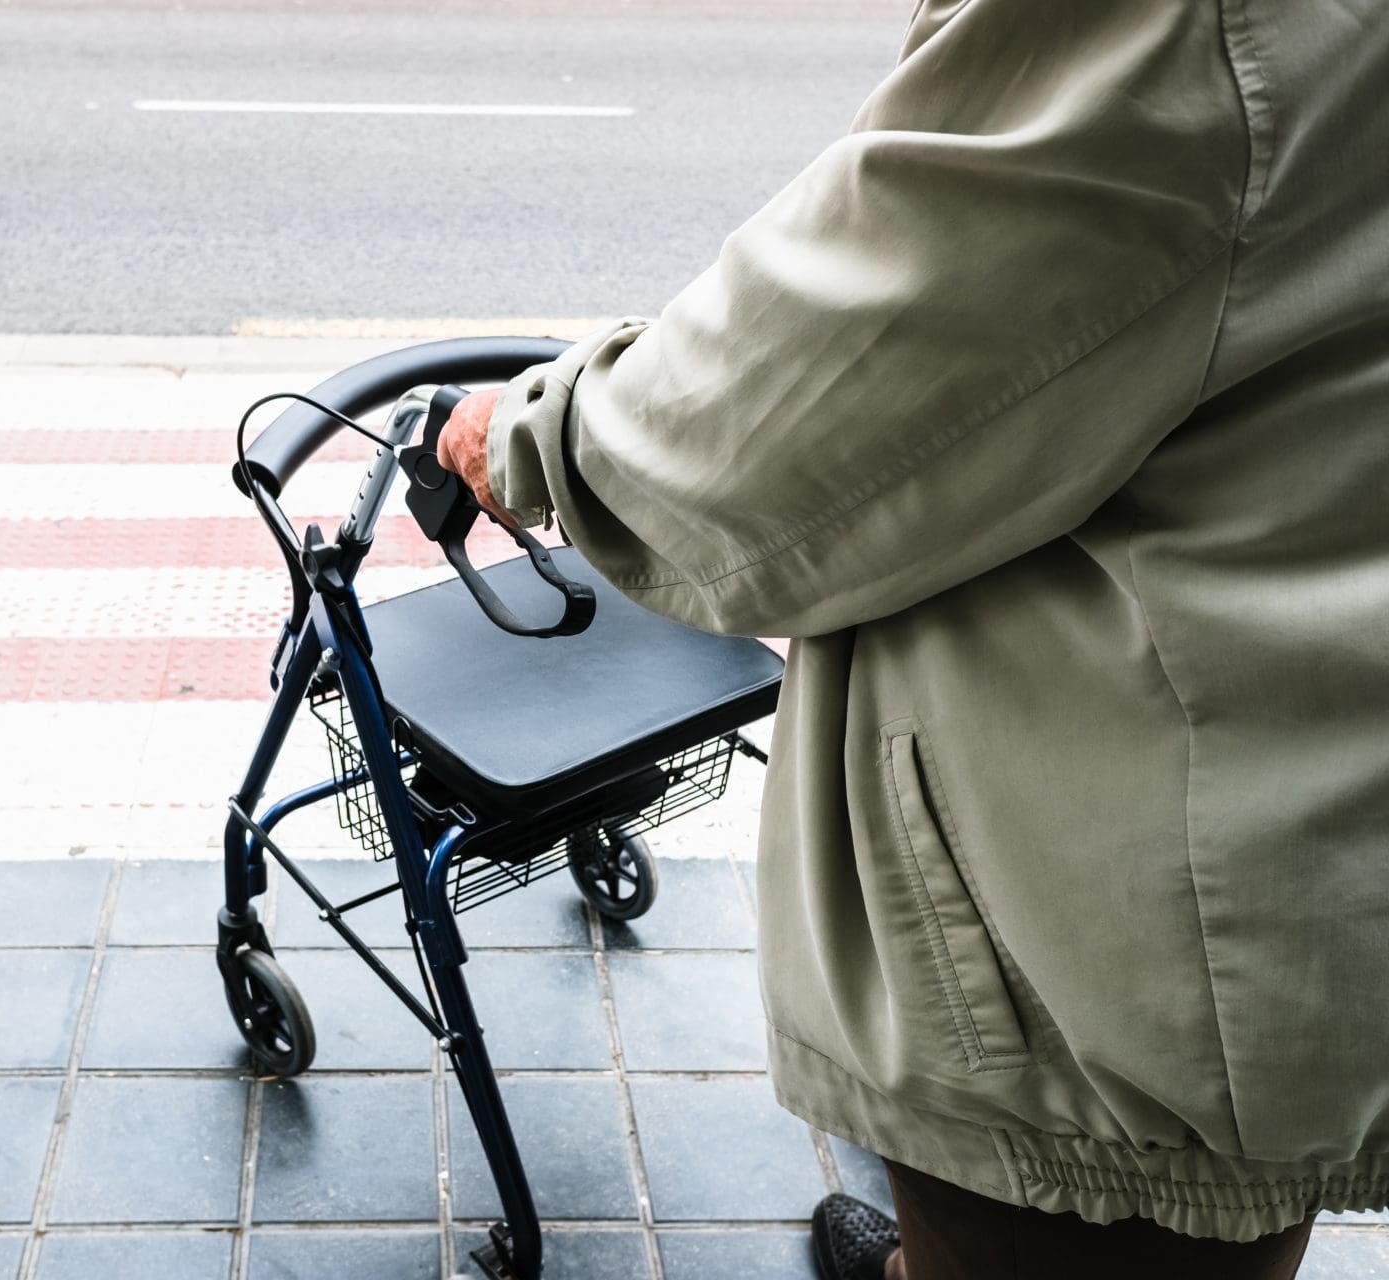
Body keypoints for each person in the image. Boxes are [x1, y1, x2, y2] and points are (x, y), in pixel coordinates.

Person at [433, 2, 1389, 1276]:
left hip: (1111, 930)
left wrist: (532, 438)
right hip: (1292, 800)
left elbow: (805, 415)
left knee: (1101, 1211)